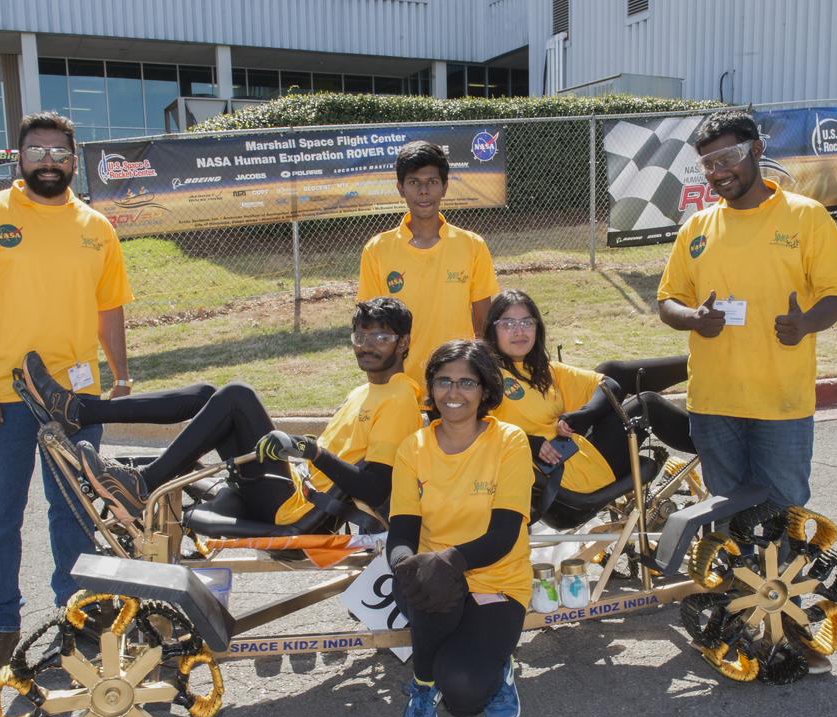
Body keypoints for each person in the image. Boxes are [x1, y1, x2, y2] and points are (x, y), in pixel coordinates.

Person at [0, 111, 135, 674]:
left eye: (58, 152)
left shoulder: (96, 227)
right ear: (18, 157)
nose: (48, 161)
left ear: (74, 161)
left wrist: (119, 374)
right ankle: (0, 625)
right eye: (36, 151)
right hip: (3, 397)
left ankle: (73, 619)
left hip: (75, 398)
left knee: (74, 513)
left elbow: (110, 305)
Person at [656, 110, 837, 512]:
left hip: (781, 402)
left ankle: (781, 576)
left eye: (727, 158)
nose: (719, 172)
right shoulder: (696, 228)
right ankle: (736, 578)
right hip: (714, 403)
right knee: (724, 514)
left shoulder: (806, 217)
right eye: (708, 164)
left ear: (756, 149)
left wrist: (806, 324)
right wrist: (693, 319)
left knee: (781, 511)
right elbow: (668, 302)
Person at [65, 298, 423, 530]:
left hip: (300, 509)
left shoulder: (400, 398)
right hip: (292, 484)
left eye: (380, 338)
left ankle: (141, 484)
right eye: (360, 337)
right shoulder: (363, 392)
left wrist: (311, 451)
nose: (366, 346)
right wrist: (302, 454)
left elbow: (376, 488)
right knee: (209, 395)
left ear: (403, 343)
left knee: (237, 395)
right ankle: (84, 411)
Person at [388, 339, 533, 717]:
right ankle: (421, 684)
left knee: (464, 692)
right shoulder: (412, 449)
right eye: (443, 381)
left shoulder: (510, 441)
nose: (454, 393)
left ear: (485, 390)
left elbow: (504, 535)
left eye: (466, 383)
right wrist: (406, 566)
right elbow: (400, 534)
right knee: (432, 582)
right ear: (431, 389)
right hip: (434, 582)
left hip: (496, 579)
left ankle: (496, 667)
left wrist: (449, 561)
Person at [483, 290, 695, 500]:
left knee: (610, 370)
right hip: (567, 478)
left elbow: (609, 383)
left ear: (537, 327)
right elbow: (471, 428)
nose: (519, 331)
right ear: (493, 330)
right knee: (647, 404)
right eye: (508, 324)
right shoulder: (487, 375)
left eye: (527, 322)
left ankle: (697, 363)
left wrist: (584, 415)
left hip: (573, 454)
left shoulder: (543, 370)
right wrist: (527, 442)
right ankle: (719, 444)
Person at [356, 141, 499, 392]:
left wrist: (480, 377)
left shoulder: (472, 246)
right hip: (399, 387)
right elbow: (371, 330)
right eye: (414, 183)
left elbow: (483, 323)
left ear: (444, 187)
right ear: (400, 188)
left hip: (455, 386)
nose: (424, 191)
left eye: (432, 182)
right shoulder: (377, 249)